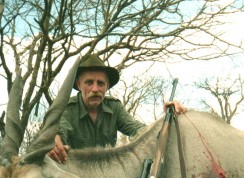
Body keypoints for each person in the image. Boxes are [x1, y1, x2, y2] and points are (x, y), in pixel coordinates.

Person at [48, 54, 187, 163]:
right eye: (89, 82)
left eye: (101, 83)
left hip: (107, 176)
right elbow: (59, 131)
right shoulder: (67, 108)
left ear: (107, 86)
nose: (95, 89)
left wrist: (168, 117)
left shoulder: (114, 107)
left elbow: (139, 131)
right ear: (79, 84)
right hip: (76, 174)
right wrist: (53, 139)